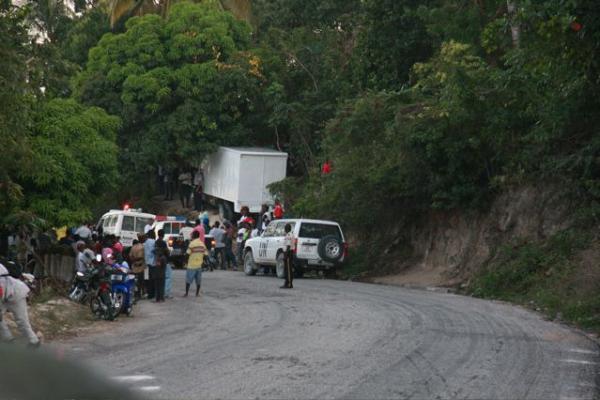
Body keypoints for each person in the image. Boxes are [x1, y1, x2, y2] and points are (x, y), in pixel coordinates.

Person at [0, 263, 40, 347]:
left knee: (21, 320)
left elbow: (1, 289)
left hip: (16, 293)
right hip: (5, 295)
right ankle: (8, 339)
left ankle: (34, 341)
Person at [185, 231, 206, 297]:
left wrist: (185, 261)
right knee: (198, 281)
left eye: (192, 235)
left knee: (188, 280)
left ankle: (186, 293)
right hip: (199, 265)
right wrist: (203, 262)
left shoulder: (192, 244)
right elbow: (205, 254)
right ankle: (197, 293)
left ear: (194, 236)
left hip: (191, 265)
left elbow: (187, 254)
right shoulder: (202, 244)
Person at [154, 229, 169, 302]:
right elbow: (167, 252)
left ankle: (157, 298)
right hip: (163, 260)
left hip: (156, 260)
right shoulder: (163, 243)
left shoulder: (156, 242)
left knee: (157, 281)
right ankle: (162, 297)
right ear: (163, 235)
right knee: (162, 280)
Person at [143, 231, 156, 300]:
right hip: (152, 263)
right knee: (152, 280)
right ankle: (152, 294)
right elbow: (154, 251)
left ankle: (148, 293)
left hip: (146, 264)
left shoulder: (145, 243)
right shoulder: (154, 242)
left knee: (146, 279)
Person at [280, 223, 294, 289]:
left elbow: (288, 246)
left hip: (288, 253)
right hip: (288, 252)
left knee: (288, 269)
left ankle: (289, 283)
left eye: (285, 228)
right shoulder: (289, 234)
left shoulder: (289, 235)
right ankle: (287, 282)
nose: (284, 229)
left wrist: (286, 254)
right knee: (287, 269)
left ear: (287, 228)